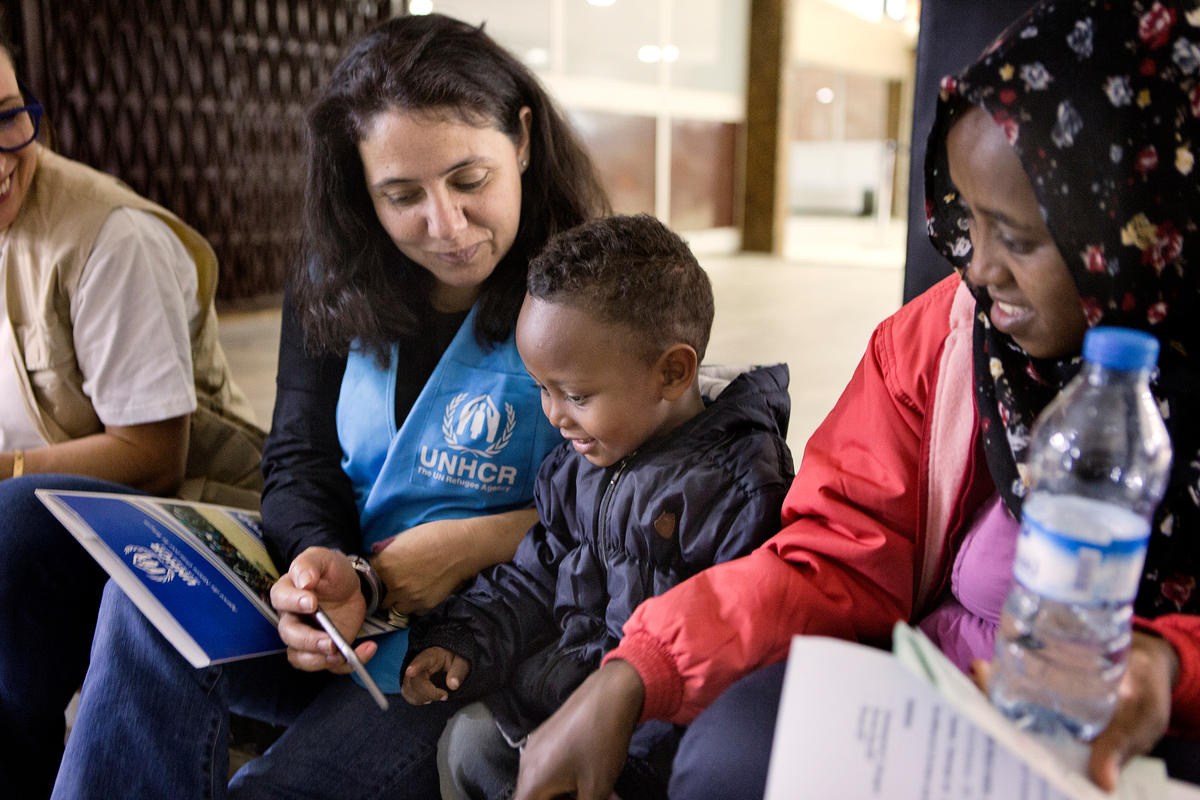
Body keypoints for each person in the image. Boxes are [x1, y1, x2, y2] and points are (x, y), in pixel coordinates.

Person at [512, 3, 1200, 799]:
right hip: (953, 706)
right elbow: (838, 556)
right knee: (732, 751)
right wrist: (640, 669)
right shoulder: (941, 340)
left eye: (1018, 238)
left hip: (1144, 743)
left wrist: (1172, 665)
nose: (979, 270)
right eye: (968, 220)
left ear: (1139, 224)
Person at [48, 12, 608, 799]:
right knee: (143, 602)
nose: (444, 225)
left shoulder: (595, 290)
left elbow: (639, 508)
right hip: (353, 607)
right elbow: (299, 455)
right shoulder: (335, 275)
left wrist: (479, 542)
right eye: (401, 195)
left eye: (469, 181)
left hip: (475, 640)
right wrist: (320, 565)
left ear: (520, 138)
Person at [401, 213, 794, 799]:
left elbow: (739, 658)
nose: (554, 415)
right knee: (468, 742)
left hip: (651, 747)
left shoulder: (741, 491)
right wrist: (463, 639)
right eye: (542, 388)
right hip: (558, 700)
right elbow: (532, 579)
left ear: (672, 372)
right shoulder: (577, 465)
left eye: (576, 395)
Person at [0, 38, 265, 798]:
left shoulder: (110, 238)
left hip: (192, 514)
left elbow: (151, 457)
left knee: (14, 522)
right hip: (49, 522)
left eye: (8, 117)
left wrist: (7, 473)